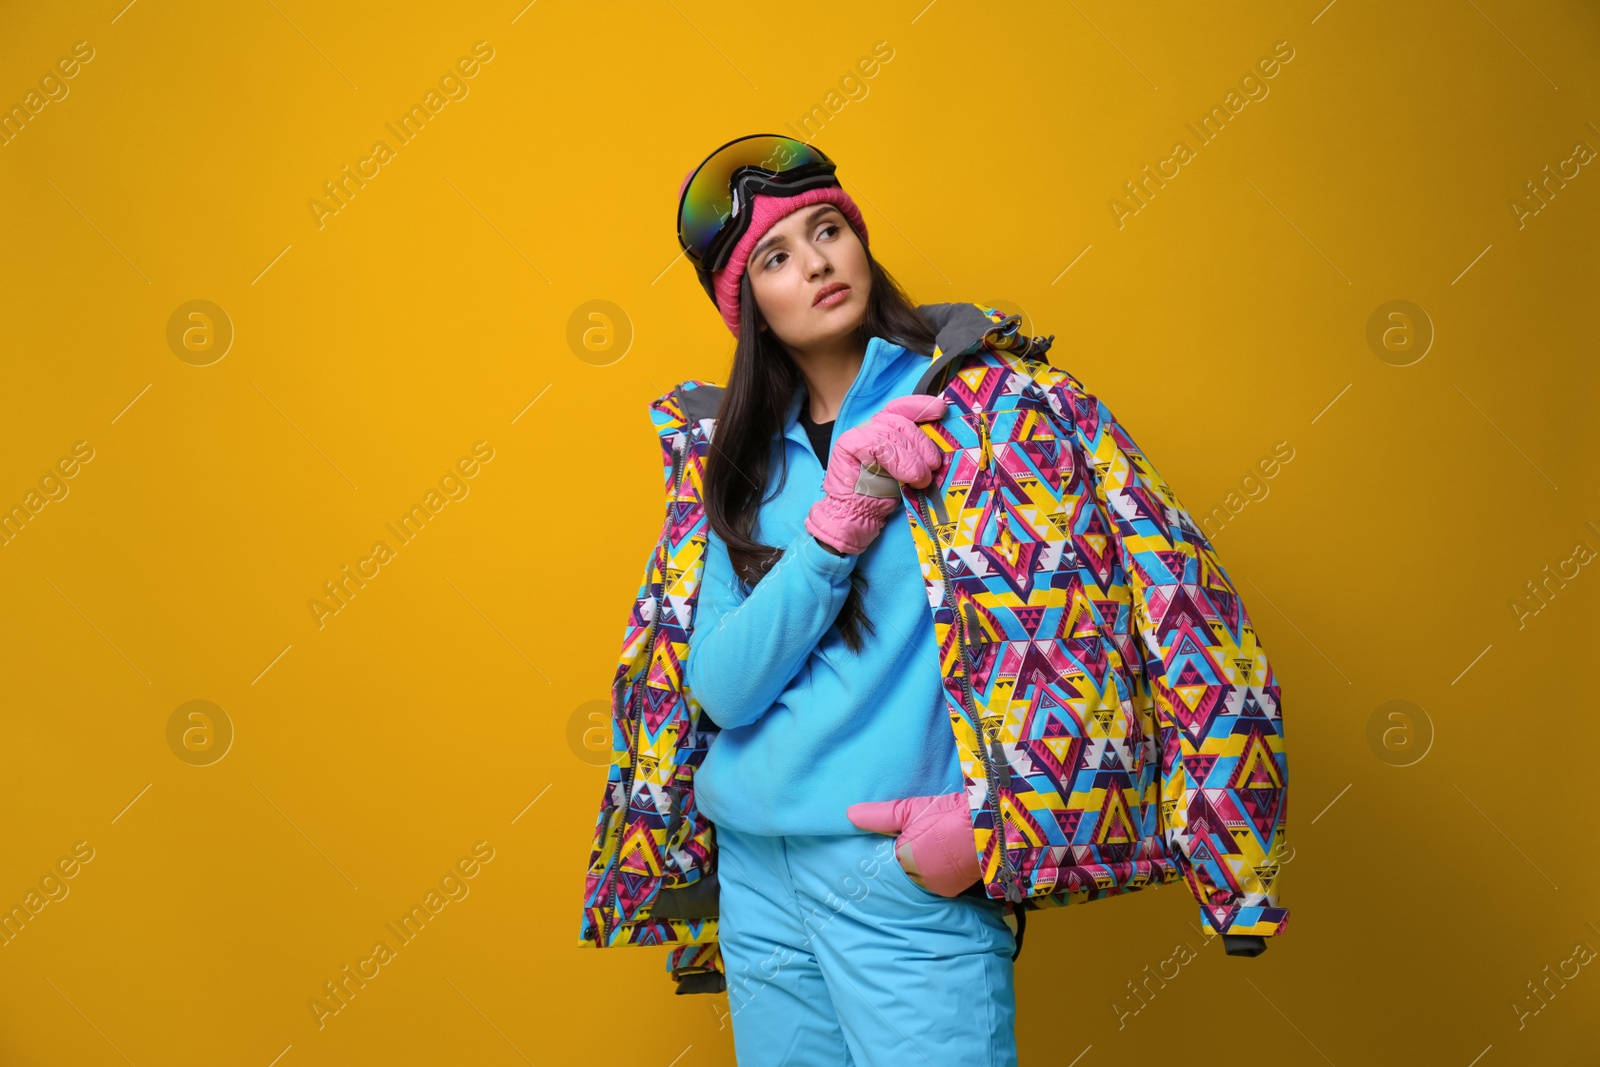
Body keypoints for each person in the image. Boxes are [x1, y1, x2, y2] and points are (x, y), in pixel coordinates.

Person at [677, 135, 1021, 1066]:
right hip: (757, 869)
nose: (818, 262)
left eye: (828, 230)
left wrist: (985, 825)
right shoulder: (744, 462)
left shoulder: (985, 409)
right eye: (777, 259)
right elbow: (720, 685)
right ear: (749, 307)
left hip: (903, 872)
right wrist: (836, 529)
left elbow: (1082, 628)